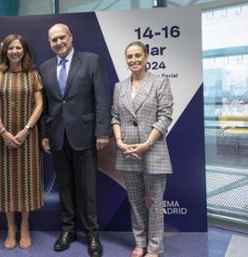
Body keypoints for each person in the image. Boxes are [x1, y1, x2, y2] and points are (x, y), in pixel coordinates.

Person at [39, 23, 111, 257]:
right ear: (49, 43)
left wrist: (102, 131)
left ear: (70, 37)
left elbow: (102, 97)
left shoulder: (91, 61)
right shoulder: (45, 67)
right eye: (53, 40)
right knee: (65, 187)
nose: (58, 42)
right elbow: (45, 106)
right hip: (57, 137)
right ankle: (68, 231)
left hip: (85, 135)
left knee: (87, 188)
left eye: (61, 37)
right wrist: (45, 135)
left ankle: (92, 234)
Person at [111, 41, 173, 257]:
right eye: (129, 56)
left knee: (155, 204)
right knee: (136, 202)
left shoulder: (160, 82)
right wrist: (118, 141)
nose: (134, 60)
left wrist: (147, 144)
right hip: (127, 151)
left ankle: (154, 248)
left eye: (138, 55)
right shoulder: (120, 87)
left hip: (153, 151)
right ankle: (140, 243)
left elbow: (165, 116)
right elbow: (115, 116)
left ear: (146, 57)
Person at [0, 34, 43, 250]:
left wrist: (26, 130)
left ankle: (26, 225)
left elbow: (39, 105)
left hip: (27, 138)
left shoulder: (33, 75)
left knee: (26, 181)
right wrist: (2, 131)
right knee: (6, 182)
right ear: (5, 52)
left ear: (24, 50)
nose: (15, 52)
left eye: (18, 48)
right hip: (3, 138)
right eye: (11, 48)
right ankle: (11, 227)